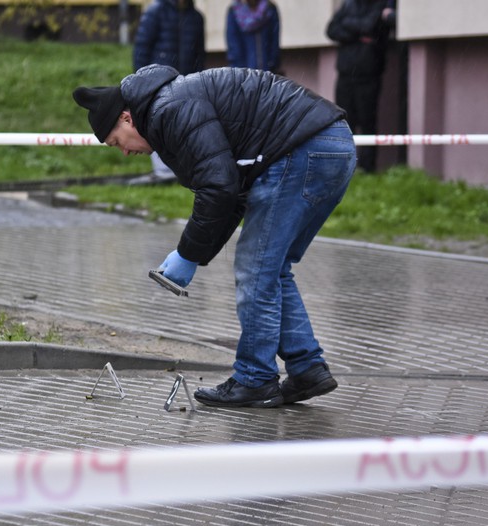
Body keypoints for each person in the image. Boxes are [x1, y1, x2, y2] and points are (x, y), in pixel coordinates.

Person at [72, 65, 356, 408]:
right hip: (332, 144)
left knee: (256, 270)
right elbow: (230, 193)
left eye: (117, 141)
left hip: (301, 150)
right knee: (272, 267)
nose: (125, 152)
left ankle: (255, 379)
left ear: (128, 118)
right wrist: (193, 253)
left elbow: (218, 188)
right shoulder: (171, 105)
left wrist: (187, 254)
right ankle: (307, 368)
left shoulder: (169, 110)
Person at [133, 0, 205, 182]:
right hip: (157, 82)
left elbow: (199, 53)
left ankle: (179, 169)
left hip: (186, 81)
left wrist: (197, 80)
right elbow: (142, 49)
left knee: (183, 125)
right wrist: (141, 81)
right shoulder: (155, 12)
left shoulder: (196, 18)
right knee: (158, 124)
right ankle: (162, 171)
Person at [326, 0, 394, 173]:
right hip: (345, 73)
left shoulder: (380, 5)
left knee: (367, 122)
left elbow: (370, 26)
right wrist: (358, 34)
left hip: (368, 73)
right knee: (343, 123)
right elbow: (332, 30)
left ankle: (367, 168)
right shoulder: (348, 5)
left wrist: (348, 27)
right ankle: (344, 168)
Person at [225, 0, 281, 72]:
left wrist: (272, 64)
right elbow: (233, 46)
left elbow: (274, 43)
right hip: (242, 73)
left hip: (267, 71)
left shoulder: (270, 8)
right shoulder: (234, 10)